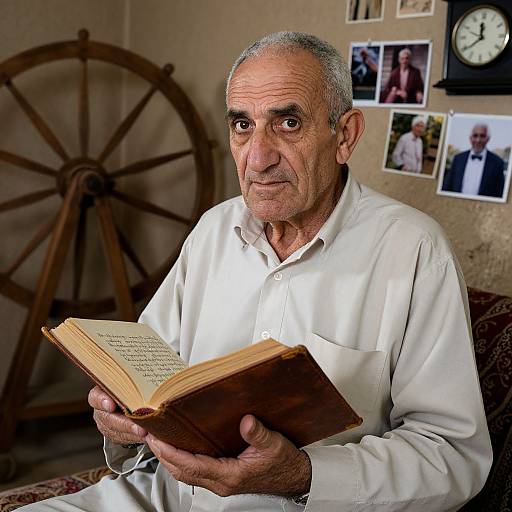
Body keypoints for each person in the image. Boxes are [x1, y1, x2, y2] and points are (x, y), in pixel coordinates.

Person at [23, 31, 492, 511]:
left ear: (345, 135)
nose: (258, 157)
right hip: (165, 496)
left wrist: (302, 475)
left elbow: (453, 456)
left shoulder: (413, 250)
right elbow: (147, 374)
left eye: (288, 123)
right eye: (242, 125)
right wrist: (119, 412)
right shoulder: (214, 228)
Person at [442, 123, 505, 198]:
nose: (478, 140)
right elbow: (446, 187)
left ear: (488, 139)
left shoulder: (497, 163)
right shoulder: (458, 159)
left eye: (482, 136)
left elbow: (499, 193)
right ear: (470, 138)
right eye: (475, 136)